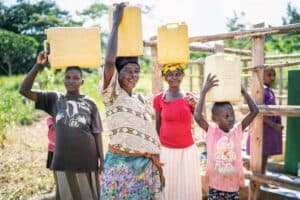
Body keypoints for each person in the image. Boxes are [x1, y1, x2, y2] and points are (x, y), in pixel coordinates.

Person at [99, 3, 163, 199]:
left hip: (145, 167)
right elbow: (110, 62)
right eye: (128, 70)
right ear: (118, 73)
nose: (133, 75)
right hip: (122, 166)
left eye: (136, 71)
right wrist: (116, 23)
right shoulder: (112, 94)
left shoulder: (140, 99)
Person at [19, 52, 104, 200]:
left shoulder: (90, 103)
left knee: (89, 195)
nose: (71, 81)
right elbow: (24, 90)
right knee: (65, 195)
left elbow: (97, 133)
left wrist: (102, 160)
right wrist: (38, 65)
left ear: (82, 81)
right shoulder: (54, 98)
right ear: (63, 80)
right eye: (68, 77)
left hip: (87, 160)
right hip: (63, 160)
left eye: (76, 78)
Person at [194, 74, 258, 199]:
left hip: (232, 185)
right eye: (226, 116)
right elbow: (197, 116)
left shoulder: (237, 131)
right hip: (215, 185)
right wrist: (203, 92)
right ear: (215, 119)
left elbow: (255, 111)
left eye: (232, 115)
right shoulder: (212, 131)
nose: (231, 119)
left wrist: (244, 91)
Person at [153, 64, 202, 199]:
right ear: (164, 77)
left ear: (182, 75)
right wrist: (157, 149)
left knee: (188, 186)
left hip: (187, 149)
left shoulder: (189, 97)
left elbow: (201, 120)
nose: (174, 77)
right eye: (170, 74)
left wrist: (196, 106)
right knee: (169, 185)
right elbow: (157, 126)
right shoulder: (159, 99)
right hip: (166, 150)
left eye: (177, 73)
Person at [246, 67, 283, 174]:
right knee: (260, 155)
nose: (273, 77)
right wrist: (273, 125)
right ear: (261, 77)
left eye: (274, 75)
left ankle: (263, 180)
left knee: (265, 155)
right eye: (269, 75)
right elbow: (258, 112)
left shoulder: (269, 91)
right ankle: (260, 181)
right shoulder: (260, 92)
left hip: (268, 131)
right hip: (262, 130)